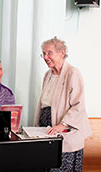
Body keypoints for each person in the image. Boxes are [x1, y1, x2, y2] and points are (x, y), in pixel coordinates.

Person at [35, 37, 92, 171]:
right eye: (43, 53)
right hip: (47, 132)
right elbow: (45, 104)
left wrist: (63, 125)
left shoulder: (72, 73)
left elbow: (78, 105)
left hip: (66, 134)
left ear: (62, 53)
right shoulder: (47, 74)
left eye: (49, 53)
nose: (45, 57)